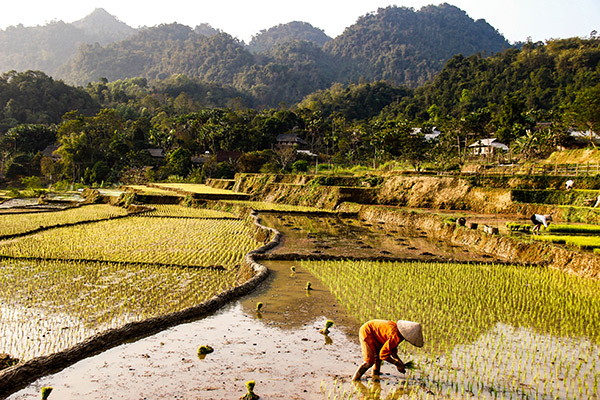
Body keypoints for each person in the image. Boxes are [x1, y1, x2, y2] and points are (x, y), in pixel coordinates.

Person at [352, 319, 424, 381]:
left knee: (377, 357)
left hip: (376, 333)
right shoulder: (395, 335)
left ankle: (375, 374)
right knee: (369, 361)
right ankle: (355, 379)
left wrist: (399, 362)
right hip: (367, 331)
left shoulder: (398, 333)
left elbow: (391, 349)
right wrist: (396, 363)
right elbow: (383, 355)